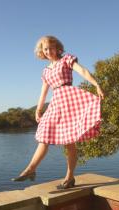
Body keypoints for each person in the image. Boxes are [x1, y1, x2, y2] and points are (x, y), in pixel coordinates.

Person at [12, 35, 104, 189]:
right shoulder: (46, 71)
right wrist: (39, 109)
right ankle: (30, 169)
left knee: (69, 143)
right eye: (45, 49)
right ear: (42, 51)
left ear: (57, 47)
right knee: (44, 135)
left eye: (51, 47)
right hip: (56, 103)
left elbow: (82, 71)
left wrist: (96, 84)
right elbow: (43, 91)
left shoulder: (66, 59)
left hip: (70, 100)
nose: (48, 51)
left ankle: (69, 177)